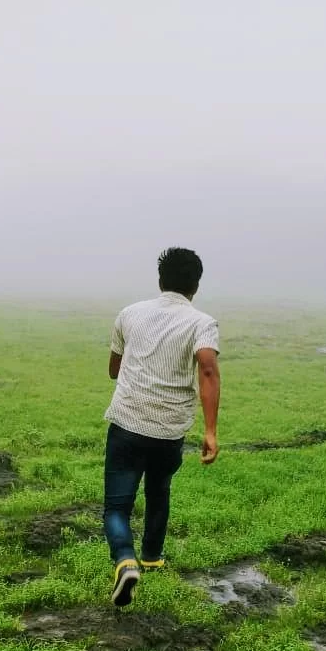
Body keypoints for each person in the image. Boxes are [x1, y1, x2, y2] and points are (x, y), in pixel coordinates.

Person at [103, 247, 221, 607]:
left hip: (127, 422)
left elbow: (113, 369)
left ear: (160, 280)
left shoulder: (129, 314)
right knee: (159, 490)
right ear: (195, 286)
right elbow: (207, 368)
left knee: (116, 507)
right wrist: (211, 431)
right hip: (169, 429)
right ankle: (152, 556)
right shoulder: (202, 323)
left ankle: (125, 559)